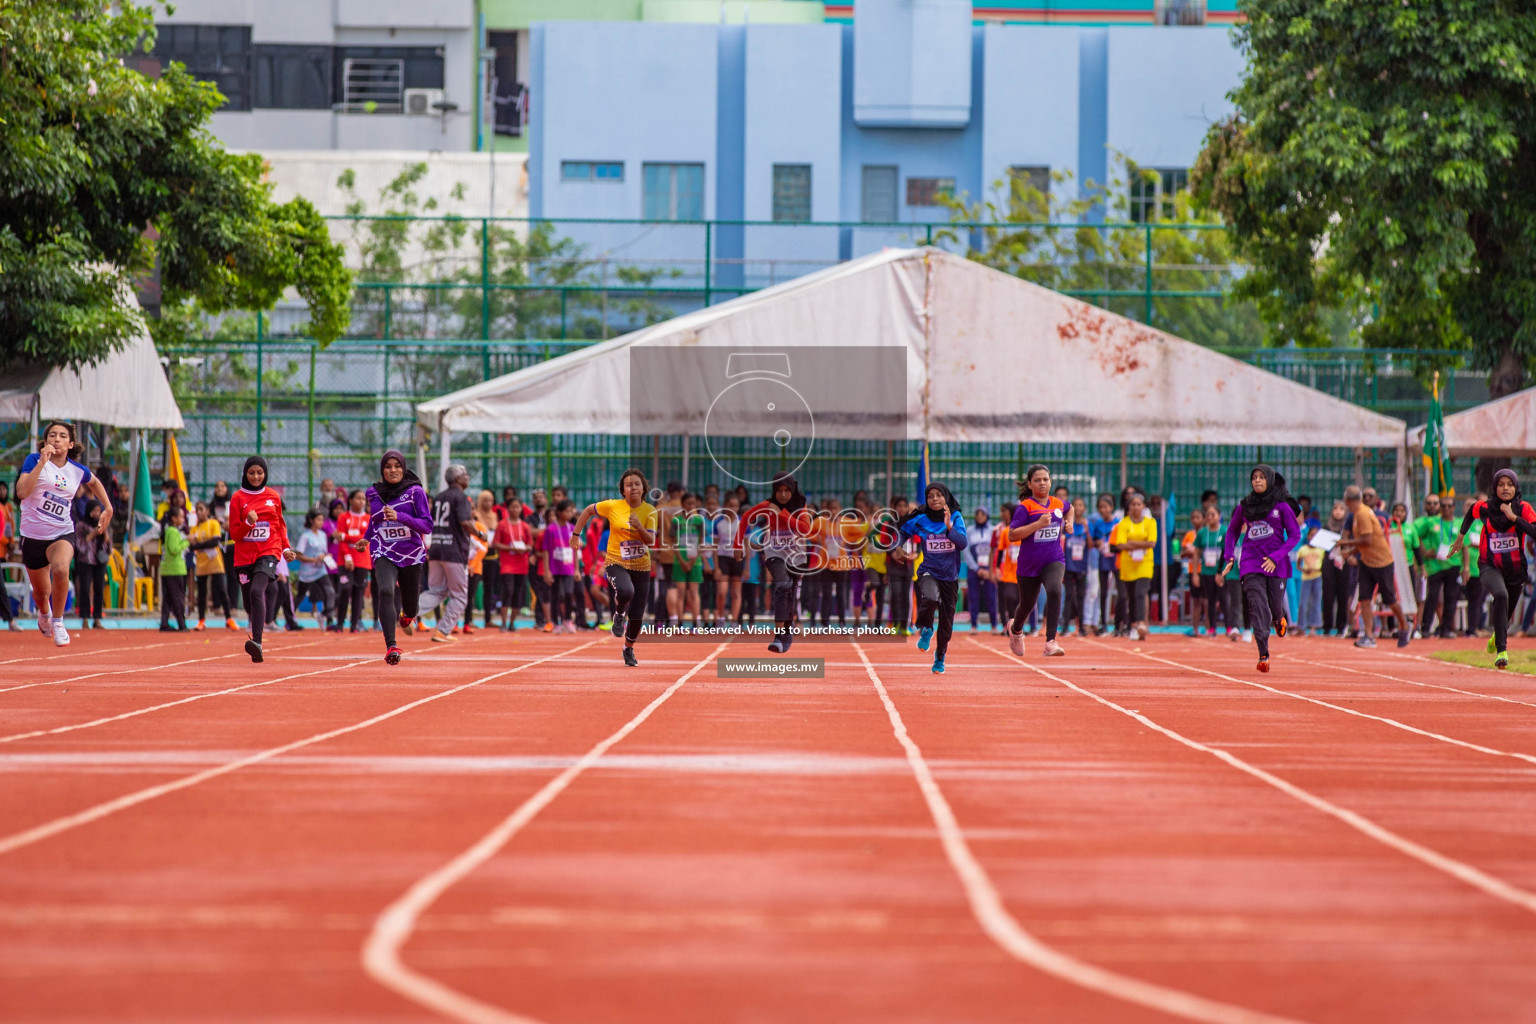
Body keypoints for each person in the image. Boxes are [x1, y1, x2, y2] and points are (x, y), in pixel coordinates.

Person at [16, 421, 113, 646]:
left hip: (62, 532)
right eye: (52, 435)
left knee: (60, 569)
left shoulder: (77, 470)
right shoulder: (33, 460)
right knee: (41, 594)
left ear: (70, 444)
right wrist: (42, 462)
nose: (56, 439)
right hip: (32, 536)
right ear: (45, 441)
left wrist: (108, 507)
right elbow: (22, 492)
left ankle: (58, 622)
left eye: (61, 436)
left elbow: (95, 482)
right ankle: (44, 613)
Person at [1217, 465, 1302, 672]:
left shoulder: (1281, 507)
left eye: (1262, 477)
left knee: (1273, 607)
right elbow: (1232, 531)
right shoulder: (1245, 506)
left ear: (1270, 480)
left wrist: (1275, 557)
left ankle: (1279, 616)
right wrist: (1229, 556)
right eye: (1254, 477)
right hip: (1251, 562)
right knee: (1257, 605)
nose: (1257, 481)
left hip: (1276, 563)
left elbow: (1294, 535)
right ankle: (1263, 654)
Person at [573, 468, 659, 667]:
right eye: (629, 485)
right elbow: (587, 511)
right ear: (623, 491)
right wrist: (576, 535)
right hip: (615, 561)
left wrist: (639, 527)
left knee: (637, 614)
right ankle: (619, 614)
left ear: (644, 489)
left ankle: (628, 648)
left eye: (637, 484)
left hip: (641, 565)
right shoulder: (612, 506)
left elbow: (651, 540)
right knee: (625, 590)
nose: (634, 488)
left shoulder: (649, 511)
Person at [1451, 470, 1536, 668]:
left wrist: (1513, 517)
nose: (1505, 488)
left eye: (1509, 484)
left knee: (1505, 615)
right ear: (1495, 487)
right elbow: (1471, 512)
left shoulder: (1523, 508)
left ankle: (1496, 636)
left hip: (1515, 569)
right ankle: (1501, 651)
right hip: (1489, 565)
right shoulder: (1486, 507)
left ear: (1516, 487)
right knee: (1500, 594)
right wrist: (1461, 537)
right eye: (1501, 484)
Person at [364, 450, 432, 664]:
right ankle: (391, 646)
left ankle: (407, 616)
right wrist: (366, 539)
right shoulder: (373, 492)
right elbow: (374, 521)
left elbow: (427, 525)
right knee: (385, 590)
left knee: (411, 606)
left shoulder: (415, 492)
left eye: (397, 466)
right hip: (383, 550)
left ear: (403, 468)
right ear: (382, 469)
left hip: (411, 553)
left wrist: (401, 517)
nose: (392, 470)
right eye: (387, 466)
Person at [737, 474, 816, 653]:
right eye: (779, 491)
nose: (782, 495)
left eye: (786, 491)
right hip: (774, 553)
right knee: (782, 585)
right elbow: (745, 518)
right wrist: (737, 545)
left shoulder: (800, 507)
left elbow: (804, 528)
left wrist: (781, 513)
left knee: (791, 593)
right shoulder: (767, 505)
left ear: (792, 490)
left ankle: (786, 633)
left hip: (796, 556)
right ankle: (778, 636)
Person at [228, 455, 295, 663]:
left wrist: (285, 549)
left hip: (269, 551)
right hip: (244, 557)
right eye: (252, 472)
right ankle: (255, 619)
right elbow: (235, 535)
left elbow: (279, 526)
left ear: (265, 474)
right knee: (250, 602)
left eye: (260, 472)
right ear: (245, 474)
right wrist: (248, 522)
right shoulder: (237, 498)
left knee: (258, 591)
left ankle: (257, 642)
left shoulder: (273, 497)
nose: (256, 476)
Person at [894, 483, 967, 673]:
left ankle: (940, 658)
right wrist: (899, 547)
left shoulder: (956, 517)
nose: (934, 499)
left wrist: (949, 527)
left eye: (938, 495)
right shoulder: (920, 519)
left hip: (950, 577)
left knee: (946, 625)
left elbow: (963, 543)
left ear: (946, 497)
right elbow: (901, 533)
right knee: (930, 597)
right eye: (930, 496)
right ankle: (926, 628)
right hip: (928, 571)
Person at [1006, 465, 1072, 657]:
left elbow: (1071, 508)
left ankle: (1050, 641)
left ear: (1050, 482)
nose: (1042, 483)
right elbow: (1012, 534)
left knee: (1054, 589)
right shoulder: (1025, 507)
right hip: (1029, 564)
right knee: (1026, 605)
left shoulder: (1058, 503)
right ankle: (1016, 629)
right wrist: (1037, 525)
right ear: (1030, 484)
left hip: (1053, 559)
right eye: (1037, 480)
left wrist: (1070, 523)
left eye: (1045, 479)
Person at [1336, 485, 1412, 649]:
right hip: (1366, 561)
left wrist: (1345, 543)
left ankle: (1405, 626)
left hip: (1381, 562)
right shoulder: (1358, 514)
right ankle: (1369, 635)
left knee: (1389, 598)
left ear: (1347, 500)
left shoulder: (1362, 514)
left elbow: (1368, 540)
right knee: (1364, 598)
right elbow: (1364, 543)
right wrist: (1350, 551)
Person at [417, 465, 476, 643]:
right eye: (465, 475)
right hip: (454, 552)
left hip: (436, 549)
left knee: (436, 590)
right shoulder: (461, 497)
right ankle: (442, 631)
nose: (468, 477)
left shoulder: (440, 497)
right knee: (459, 595)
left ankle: (408, 612)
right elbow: (465, 522)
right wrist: (479, 534)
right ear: (458, 479)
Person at [1109, 492, 1157, 640]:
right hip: (1128, 565)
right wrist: (1141, 543)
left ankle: (1141, 623)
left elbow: (1152, 543)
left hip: (1145, 564)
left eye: (1139, 504)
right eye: (1133, 504)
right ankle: (1133, 626)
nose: (1136, 507)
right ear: (1129, 507)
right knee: (1130, 596)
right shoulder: (1123, 523)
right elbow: (1121, 544)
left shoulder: (1151, 523)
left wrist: (1132, 544)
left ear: (1143, 506)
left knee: (1140, 593)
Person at [1416, 493, 1461, 638]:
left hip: (1453, 564)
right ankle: (1425, 628)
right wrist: (1423, 550)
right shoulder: (1432, 522)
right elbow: (1416, 534)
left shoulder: (1459, 523)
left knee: (1450, 597)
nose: (1446, 508)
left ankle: (1445, 629)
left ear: (1454, 508)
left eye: (1449, 506)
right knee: (1432, 596)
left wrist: (1465, 567)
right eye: (1443, 506)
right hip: (1435, 566)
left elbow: (1464, 545)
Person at [189, 500, 234, 630]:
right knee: (202, 592)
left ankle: (228, 618)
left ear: (207, 511)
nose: (199, 512)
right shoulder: (195, 528)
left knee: (221, 589)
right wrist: (197, 545)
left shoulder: (213, 523)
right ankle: (201, 619)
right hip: (202, 561)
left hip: (215, 561)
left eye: (201, 509)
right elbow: (192, 545)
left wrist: (198, 545)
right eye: (197, 510)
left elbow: (215, 541)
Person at [333, 489, 373, 633]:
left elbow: (366, 538)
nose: (361, 501)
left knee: (358, 592)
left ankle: (354, 624)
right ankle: (339, 623)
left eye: (363, 499)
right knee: (345, 589)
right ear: (350, 500)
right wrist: (348, 557)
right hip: (345, 560)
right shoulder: (343, 517)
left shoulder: (368, 519)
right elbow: (341, 542)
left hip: (362, 560)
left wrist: (345, 536)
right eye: (358, 498)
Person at [541, 498, 580, 633]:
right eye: (567, 511)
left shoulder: (572, 529)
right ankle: (555, 622)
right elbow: (546, 550)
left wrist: (577, 569)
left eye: (571, 511)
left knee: (569, 593)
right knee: (556, 595)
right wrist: (547, 571)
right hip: (555, 567)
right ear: (559, 512)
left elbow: (575, 549)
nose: (570, 513)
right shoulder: (550, 529)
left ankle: (568, 620)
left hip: (568, 567)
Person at [493, 503, 533, 631]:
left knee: (517, 593)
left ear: (521, 509)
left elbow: (530, 545)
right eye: (512, 506)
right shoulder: (502, 524)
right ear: (508, 509)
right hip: (507, 564)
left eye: (517, 507)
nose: (515, 509)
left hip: (522, 564)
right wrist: (510, 548)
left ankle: (512, 623)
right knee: (508, 590)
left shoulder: (525, 526)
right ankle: (503, 622)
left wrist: (525, 548)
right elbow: (495, 543)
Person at [74, 499, 113, 629]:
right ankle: (85, 618)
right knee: (85, 589)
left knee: (99, 589)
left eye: (98, 511)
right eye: (94, 511)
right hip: (86, 560)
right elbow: (80, 545)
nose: (96, 513)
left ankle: (97, 618)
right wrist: (93, 533)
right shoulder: (81, 525)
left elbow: (109, 546)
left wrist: (105, 537)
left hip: (100, 561)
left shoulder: (104, 524)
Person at [294, 509, 334, 629]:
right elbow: (299, 555)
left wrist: (326, 557)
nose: (321, 522)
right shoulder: (305, 536)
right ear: (311, 520)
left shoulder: (322, 535)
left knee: (330, 592)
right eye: (318, 519)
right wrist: (314, 560)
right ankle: (290, 619)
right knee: (300, 595)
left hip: (320, 571)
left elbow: (323, 552)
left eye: (322, 519)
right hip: (307, 572)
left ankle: (328, 617)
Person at [710, 492, 743, 629]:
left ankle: (734, 621)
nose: (733, 509)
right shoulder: (718, 522)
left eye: (736, 506)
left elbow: (746, 543)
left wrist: (746, 567)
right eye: (730, 506)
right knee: (722, 591)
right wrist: (716, 567)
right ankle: (721, 617)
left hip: (738, 557)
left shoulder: (742, 522)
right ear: (725, 506)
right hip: (723, 558)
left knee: (736, 592)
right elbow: (714, 546)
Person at [1088, 494, 1120, 635]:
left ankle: (1120, 624)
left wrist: (1112, 545)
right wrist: (1098, 543)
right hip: (1103, 562)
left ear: (1111, 507)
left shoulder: (1118, 523)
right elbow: (1093, 542)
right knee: (1103, 593)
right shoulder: (1098, 524)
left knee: (1120, 593)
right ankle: (1103, 623)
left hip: (1117, 562)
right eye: (1100, 507)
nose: (1103, 510)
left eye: (1105, 507)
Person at [964, 507, 999, 633]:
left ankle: (994, 625)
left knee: (991, 596)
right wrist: (976, 568)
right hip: (974, 570)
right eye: (977, 514)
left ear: (987, 515)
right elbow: (966, 551)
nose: (979, 516)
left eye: (982, 514)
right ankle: (974, 625)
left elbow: (996, 550)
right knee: (973, 596)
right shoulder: (969, 531)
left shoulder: (993, 530)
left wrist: (990, 569)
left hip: (989, 569)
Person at [159, 506, 191, 632]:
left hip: (169, 569)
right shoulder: (172, 531)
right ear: (174, 518)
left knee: (167, 598)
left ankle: (164, 622)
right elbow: (174, 549)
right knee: (177, 598)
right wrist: (187, 541)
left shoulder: (171, 530)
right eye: (181, 516)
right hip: (175, 569)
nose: (183, 519)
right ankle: (181, 624)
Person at [1297, 526, 1326, 636]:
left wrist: (1317, 569)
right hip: (1306, 578)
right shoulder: (1303, 549)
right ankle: (1301, 627)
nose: (1314, 537)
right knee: (1303, 603)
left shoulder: (1321, 550)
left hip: (1317, 577)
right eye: (1312, 535)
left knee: (1316, 602)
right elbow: (1298, 565)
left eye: (1316, 535)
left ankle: (1314, 627)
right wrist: (1305, 569)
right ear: (1308, 536)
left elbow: (1324, 566)